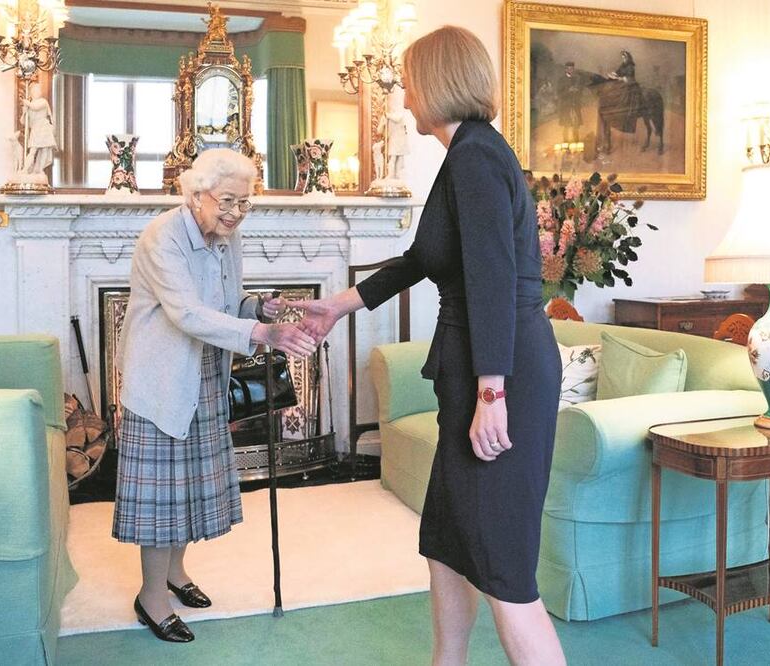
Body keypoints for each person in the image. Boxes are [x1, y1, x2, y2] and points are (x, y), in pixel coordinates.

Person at [296, 26, 565, 665]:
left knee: (503, 567)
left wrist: (492, 393)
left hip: (501, 373)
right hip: (477, 370)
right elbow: (424, 257)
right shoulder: (466, 153)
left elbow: (494, 279)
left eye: (411, 82)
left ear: (439, 83)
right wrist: (340, 304)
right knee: (447, 541)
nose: (405, 95)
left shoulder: (475, 157)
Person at [112, 148, 316, 643]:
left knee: (188, 485)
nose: (235, 212)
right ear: (196, 194)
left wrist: (258, 307)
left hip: (204, 371)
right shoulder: (162, 237)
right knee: (162, 495)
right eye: (227, 201)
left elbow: (224, 302)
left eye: (244, 203)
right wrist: (261, 334)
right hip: (161, 377)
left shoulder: (227, 238)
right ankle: (151, 597)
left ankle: (175, 574)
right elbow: (185, 312)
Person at [22, 84, 57, 175]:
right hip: (35, 128)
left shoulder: (43, 102)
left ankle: (40, 169)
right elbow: (23, 122)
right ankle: (25, 169)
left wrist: (28, 104)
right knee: (32, 151)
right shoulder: (29, 105)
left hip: (43, 127)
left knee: (45, 149)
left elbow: (36, 107)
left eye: (38, 90)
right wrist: (24, 112)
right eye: (34, 91)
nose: (36, 93)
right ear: (31, 93)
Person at [605, 50, 642, 133]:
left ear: (628, 58)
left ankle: (624, 112)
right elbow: (618, 72)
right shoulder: (623, 65)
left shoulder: (630, 66)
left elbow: (629, 77)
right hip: (622, 82)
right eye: (622, 58)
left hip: (630, 84)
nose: (623, 59)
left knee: (624, 95)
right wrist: (613, 74)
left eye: (624, 57)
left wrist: (619, 78)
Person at [556, 61, 584, 143]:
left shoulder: (577, 79)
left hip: (575, 105)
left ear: (573, 69)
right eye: (568, 68)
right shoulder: (561, 80)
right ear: (565, 69)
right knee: (566, 125)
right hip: (566, 106)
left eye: (572, 68)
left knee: (576, 125)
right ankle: (566, 142)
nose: (570, 70)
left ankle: (576, 142)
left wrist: (577, 91)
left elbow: (581, 91)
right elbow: (559, 93)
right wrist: (568, 90)